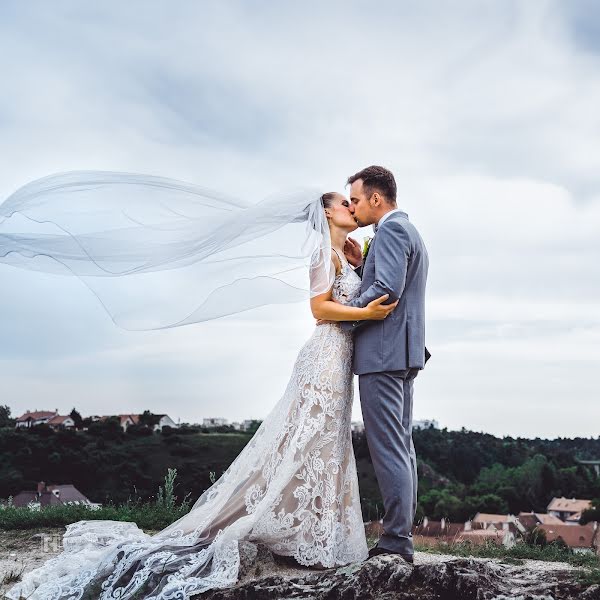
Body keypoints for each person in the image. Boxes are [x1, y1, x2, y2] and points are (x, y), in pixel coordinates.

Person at [5, 188, 397, 600]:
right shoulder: (321, 255)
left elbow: (350, 289)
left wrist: (359, 264)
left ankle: (315, 534)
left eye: (353, 204)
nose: (353, 209)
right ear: (326, 214)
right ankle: (279, 530)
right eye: (345, 204)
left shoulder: (344, 256)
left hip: (340, 362)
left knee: (327, 444)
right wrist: (365, 313)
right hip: (323, 356)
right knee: (305, 442)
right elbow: (319, 308)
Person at [339, 165, 430, 564]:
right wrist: (362, 266)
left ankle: (396, 540)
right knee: (402, 444)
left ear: (377, 198)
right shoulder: (408, 231)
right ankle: (401, 534)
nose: (353, 207)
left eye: (356, 199)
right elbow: (388, 281)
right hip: (402, 353)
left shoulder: (391, 231)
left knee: (388, 447)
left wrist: (339, 312)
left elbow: (386, 291)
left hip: (382, 354)